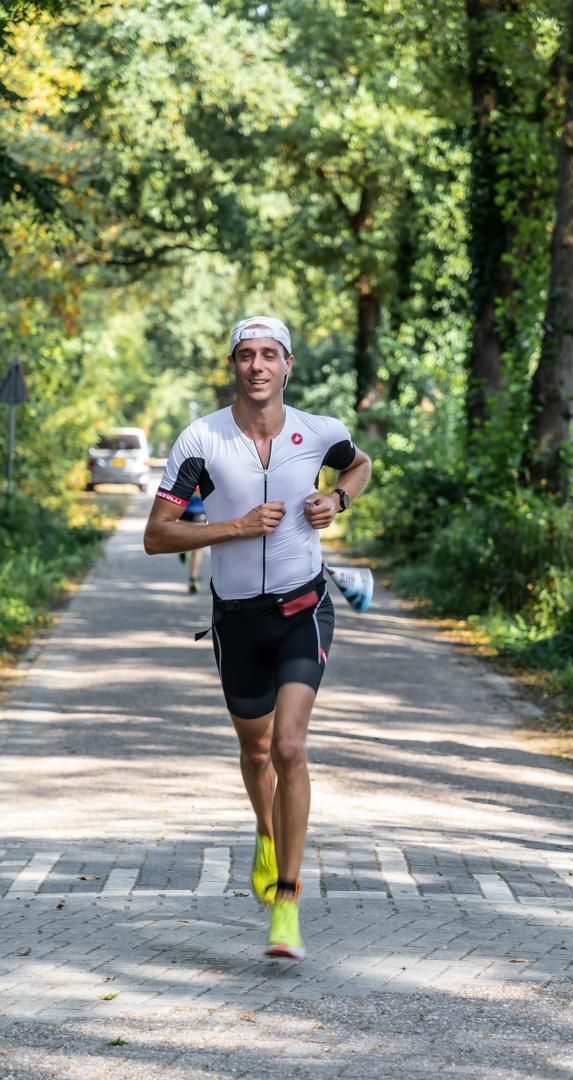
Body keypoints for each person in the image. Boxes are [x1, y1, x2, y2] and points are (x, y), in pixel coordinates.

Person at [143, 315, 372, 958]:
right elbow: (157, 535)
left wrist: (338, 500)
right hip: (237, 620)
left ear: (288, 364)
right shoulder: (201, 440)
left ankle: (288, 901)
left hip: (304, 608)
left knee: (290, 747)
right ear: (233, 365)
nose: (258, 365)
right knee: (256, 750)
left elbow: (360, 464)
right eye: (246, 355)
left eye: (270, 354)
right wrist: (235, 527)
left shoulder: (319, 432)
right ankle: (266, 835)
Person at [178, 487, 207, 593]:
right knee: (197, 549)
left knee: (190, 544)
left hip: (186, 510)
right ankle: (193, 579)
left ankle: (183, 550)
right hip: (197, 512)